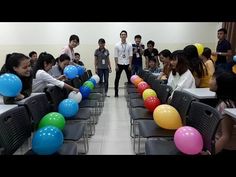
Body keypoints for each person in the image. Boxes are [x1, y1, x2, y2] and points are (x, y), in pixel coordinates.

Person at [206, 71, 236, 155]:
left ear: (220, 85)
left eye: (212, 78)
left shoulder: (225, 105)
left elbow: (226, 137)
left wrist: (209, 153)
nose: (210, 80)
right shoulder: (223, 101)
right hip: (217, 143)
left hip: (223, 148)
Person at [114, 30, 133, 97]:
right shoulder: (117, 45)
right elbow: (115, 56)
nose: (123, 35)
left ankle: (130, 93)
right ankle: (116, 93)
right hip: (119, 64)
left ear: (126, 36)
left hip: (127, 63)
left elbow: (131, 55)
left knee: (130, 79)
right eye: (122, 34)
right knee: (117, 79)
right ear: (120, 36)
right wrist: (116, 65)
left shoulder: (129, 45)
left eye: (124, 34)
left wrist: (130, 64)